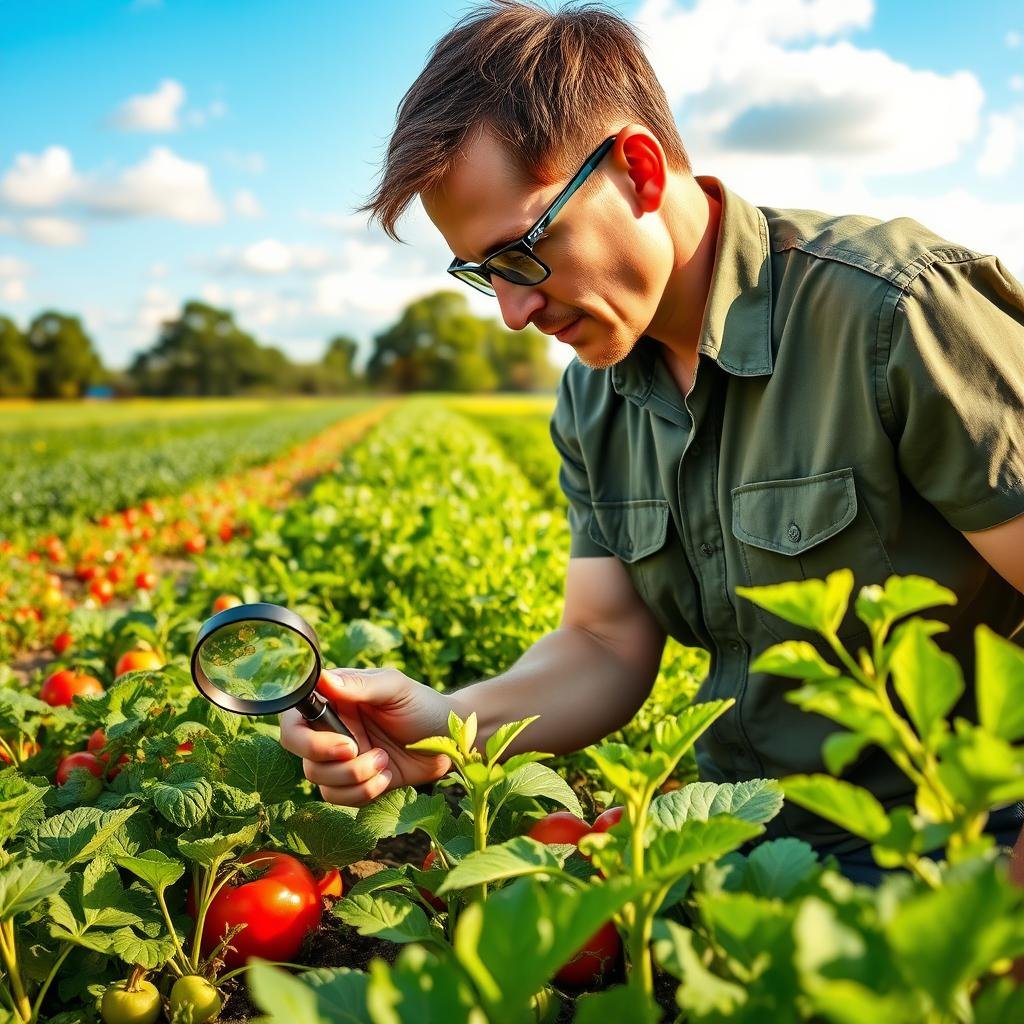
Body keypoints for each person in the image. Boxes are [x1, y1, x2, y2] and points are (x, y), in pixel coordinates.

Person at [278, 0, 1024, 885]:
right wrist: (442, 725)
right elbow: (601, 643)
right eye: (482, 274)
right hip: (747, 844)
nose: (513, 312)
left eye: (521, 253)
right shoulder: (596, 396)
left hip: (960, 843)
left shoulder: (895, 313)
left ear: (635, 168)